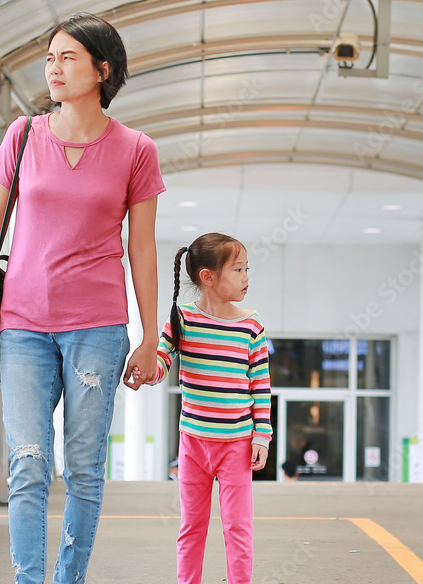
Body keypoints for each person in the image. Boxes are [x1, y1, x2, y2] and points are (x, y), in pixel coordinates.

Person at [0, 12, 165, 584]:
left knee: (83, 469)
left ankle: (66, 579)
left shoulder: (136, 149)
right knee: (28, 464)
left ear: (103, 69)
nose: (53, 68)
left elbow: (142, 249)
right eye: (49, 57)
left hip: (97, 327)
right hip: (23, 324)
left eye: (68, 57)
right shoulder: (23, 135)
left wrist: (150, 338)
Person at [130, 232, 272, 584]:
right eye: (238, 270)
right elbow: (161, 361)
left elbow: (261, 387)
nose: (246, 277)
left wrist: (262, 436)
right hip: (193, 443)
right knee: (192, 526)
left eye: (246, 269)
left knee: (237, 527)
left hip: (237, 444)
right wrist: (145, 371)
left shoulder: (251, 325)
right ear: (207, 277)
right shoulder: (183, 319)